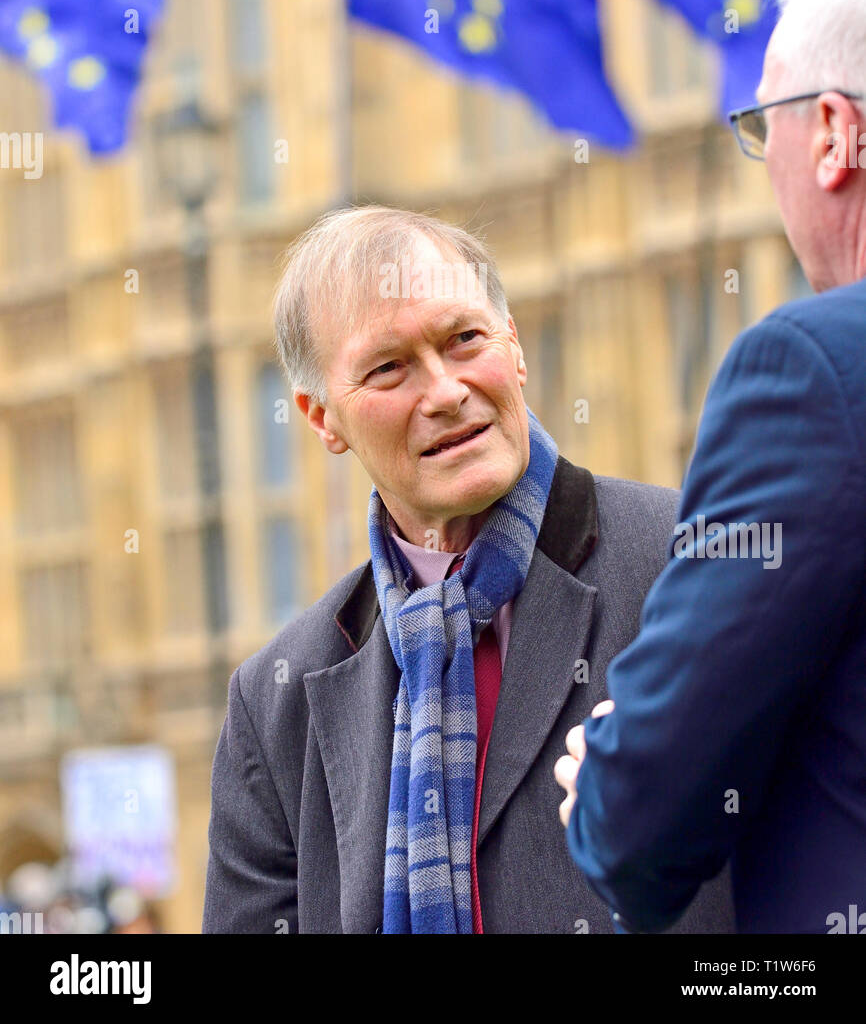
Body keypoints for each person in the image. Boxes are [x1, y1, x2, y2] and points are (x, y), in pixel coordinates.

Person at [202, 204, 732, 934]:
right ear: (322, 417)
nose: (446, 391)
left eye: (465, 339)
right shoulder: (274, 703)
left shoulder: (695, 564)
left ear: (512, 345)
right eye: (388, 368)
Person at [557, 0, 866, 934]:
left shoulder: (810, 371)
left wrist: (603, 771)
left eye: (759, 124)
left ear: (830, 132)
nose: (760, 159)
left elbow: (641, 816)